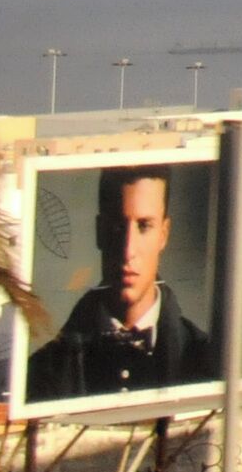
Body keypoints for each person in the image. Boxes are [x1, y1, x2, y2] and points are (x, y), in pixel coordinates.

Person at [25, 166, 212, 398]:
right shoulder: (43, 372)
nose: (128, 250)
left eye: (144, 226)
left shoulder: (207, 363)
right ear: (100, 232)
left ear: (163, 234)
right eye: (118, 226)